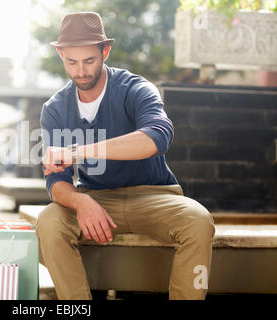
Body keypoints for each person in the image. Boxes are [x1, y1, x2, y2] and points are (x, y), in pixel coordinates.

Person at [37, 11, 215, 300]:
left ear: (105, 51)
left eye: (89, 60)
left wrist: (77, 152)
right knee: (48, 221)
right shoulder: (55, 109)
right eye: (72, 62)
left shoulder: (135, 88)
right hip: (96, 197)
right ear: (61, 55)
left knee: (198, 220)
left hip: (153, 196)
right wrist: (80, 201)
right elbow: (56, 180)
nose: (81, 71)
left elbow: (156, 137)